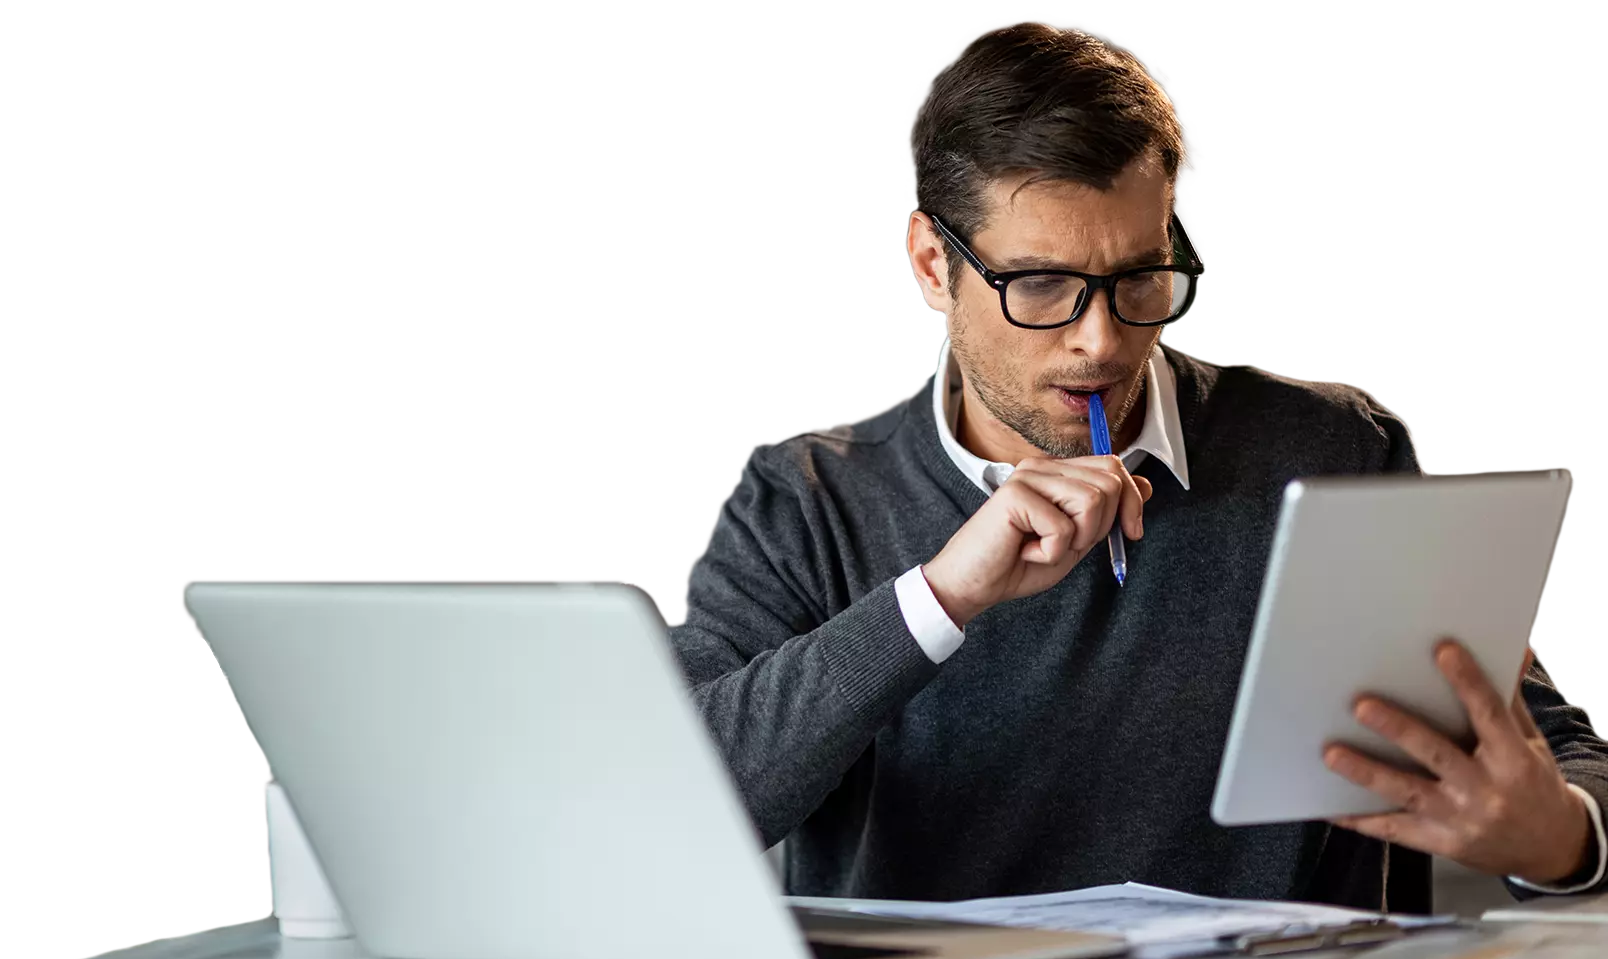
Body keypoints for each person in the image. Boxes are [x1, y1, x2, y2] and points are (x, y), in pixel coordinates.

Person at [669, 21, 1606, 913]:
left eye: (1140, 277)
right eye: (1039, 283)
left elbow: (1547, 744)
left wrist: (1560, 838)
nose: (1101, 339)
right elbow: (675, 799)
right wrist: (941, 598)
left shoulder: (1330, 454)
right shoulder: (804, 500)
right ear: (929, 264)